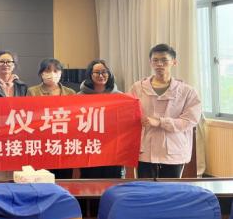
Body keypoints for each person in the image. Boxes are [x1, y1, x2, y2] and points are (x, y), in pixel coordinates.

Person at [129, 44, 201, 179]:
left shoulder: (187, 91)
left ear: (174, 62)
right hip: (145, 149)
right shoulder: (137, 88)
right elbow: (128, 113)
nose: (159, 64)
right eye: (155, 60)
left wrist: (160, 122)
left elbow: (190, 120)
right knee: (145, 188)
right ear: (150, 62)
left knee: (171, 188)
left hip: (174, 149)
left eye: (164, 60)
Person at [27, 58, 76, 179]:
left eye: (56, 71)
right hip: (42, 143)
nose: (52, 74)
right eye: (48, 70)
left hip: (64, 144)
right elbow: (29, 116)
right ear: (41, 73)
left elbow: (75, 118)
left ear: (61, 73)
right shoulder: (32, 91)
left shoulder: (70, 93)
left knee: (63, 179)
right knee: (42, 179)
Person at [78, 59, 124, 179]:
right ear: (90, 75)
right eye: (97, 72)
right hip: (89, 148)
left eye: (104, 72)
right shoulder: (79, 97)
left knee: (113, 181)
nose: (101, 75)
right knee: (90, 182)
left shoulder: (120, 97)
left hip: (112, 149)